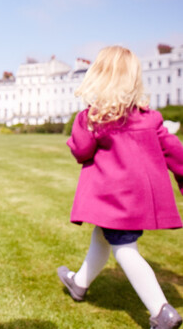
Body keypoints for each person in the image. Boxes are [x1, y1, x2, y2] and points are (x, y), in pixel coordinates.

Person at [57, 46, 183, 329]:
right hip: (136, 201)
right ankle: (79, 283)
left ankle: (161, 311)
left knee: (125, 249)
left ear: (99, 77)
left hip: (114, 199)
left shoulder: (94, 118)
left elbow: (81, 151)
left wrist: (85, 124)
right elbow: (175, 152)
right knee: (103, 236)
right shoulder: (150, 118)